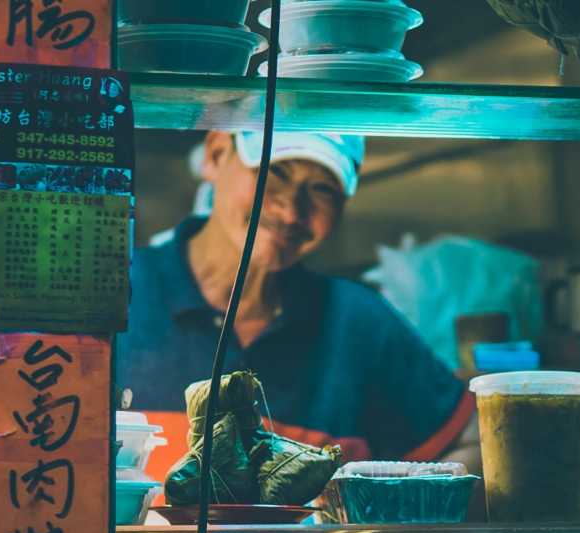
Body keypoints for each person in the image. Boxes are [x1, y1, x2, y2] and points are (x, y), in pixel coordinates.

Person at [118, 131, 477, 464]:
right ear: (216, 154)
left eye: (322, 188)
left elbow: (475, 442)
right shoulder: (119, 293)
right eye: (275, 172)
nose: (291, 211)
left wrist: (386, 518)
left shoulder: (355, 321)